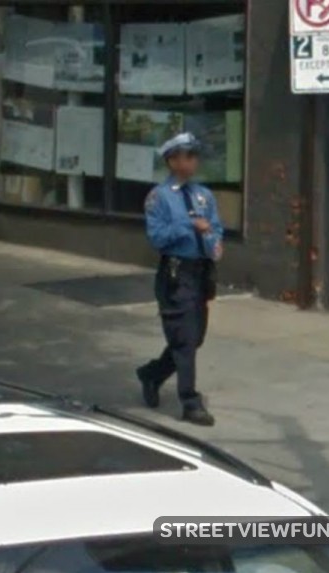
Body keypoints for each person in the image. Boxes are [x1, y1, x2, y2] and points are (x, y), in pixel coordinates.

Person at [136, 132, 223, 427]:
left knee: (193, 337)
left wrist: (214, 242)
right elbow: (157, 237)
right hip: (176, 273)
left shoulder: (203, 195)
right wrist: (188, 225)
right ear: (172, 160)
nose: (193, 161)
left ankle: (152, 374)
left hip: (200, 273)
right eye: (187, 155)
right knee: (184, 339)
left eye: (195, 155)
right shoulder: (159, 197)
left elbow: (215, 226)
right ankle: (190, 401)